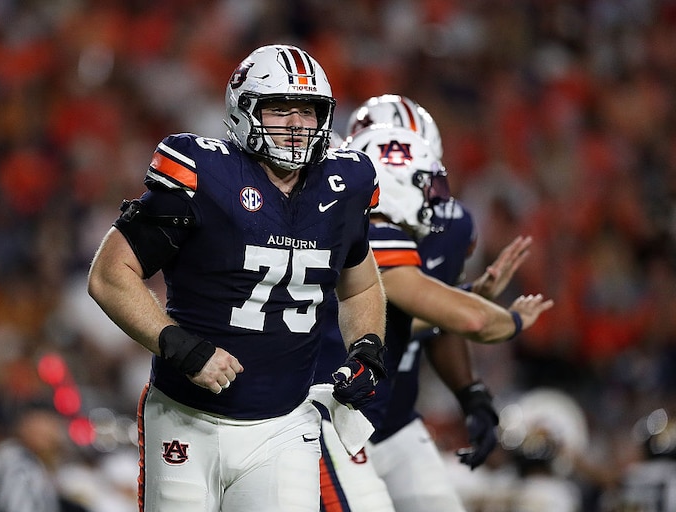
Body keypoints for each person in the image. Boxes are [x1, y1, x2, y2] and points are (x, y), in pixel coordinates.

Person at [87, 44, 388, 512]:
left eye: (307, 111)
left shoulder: (344, 183)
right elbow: (109, 275)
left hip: (286, 424)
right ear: (244, 112)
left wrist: (366, 347)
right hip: (187, 417)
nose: (294, 124)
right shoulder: (205, 173)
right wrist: (178, 344)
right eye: (279, 108)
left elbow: (363, 285)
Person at [316, 118, 554, 511]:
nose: (436, 199)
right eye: (423, 184)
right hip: (334, 419)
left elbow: (400, 316)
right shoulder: (375, 235)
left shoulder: (354, 227)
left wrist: (469, 296)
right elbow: (470, 321)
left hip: (376, 419)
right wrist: (510, 319)